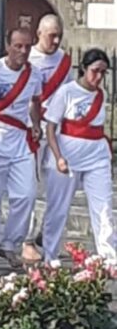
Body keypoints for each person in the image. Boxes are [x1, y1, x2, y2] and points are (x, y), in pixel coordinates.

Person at [0, 28, 41, 271]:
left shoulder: (34, 74)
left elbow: (35, 100)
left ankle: (10, 244)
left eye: (27, 47)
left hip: (21, 141)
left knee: (26, 194)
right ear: (7, 46)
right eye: (18, 46)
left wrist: (35, 124)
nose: (23, 51)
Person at [45, 48, 116, 264]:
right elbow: (51, 127)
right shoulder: (67, 92)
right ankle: (50, 255)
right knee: (58, 208)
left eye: (103, 73)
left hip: (96, 155)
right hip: (68, 154)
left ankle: (109, 256)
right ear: (84, 68)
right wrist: (58, 156)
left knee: (103, 205)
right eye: (95, 71)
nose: (99, 77)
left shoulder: (100, 95)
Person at [22, 14, 73, 264]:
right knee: (30, 186)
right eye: (51, 35)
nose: (55, 40)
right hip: (32, 127)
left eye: (58, 36)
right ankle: (26, 240)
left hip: (57, 130)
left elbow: (70, 93)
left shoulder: (64, 61)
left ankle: (47, 234)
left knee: (59, 183)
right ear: (39, 34)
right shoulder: (27, 58)